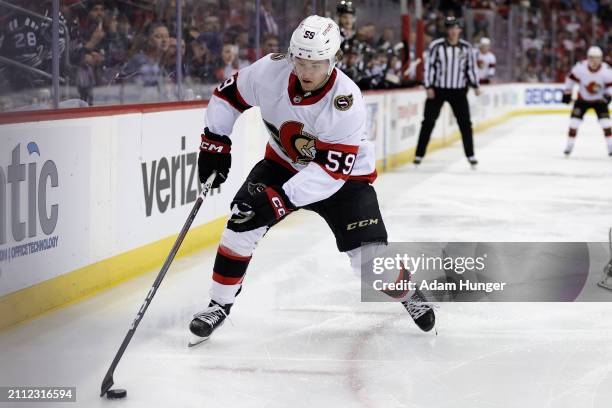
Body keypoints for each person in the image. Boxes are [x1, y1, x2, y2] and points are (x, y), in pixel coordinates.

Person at [189, 15, 435, 345]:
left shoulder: (346, 101)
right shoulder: (270, 70)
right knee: (241, 222)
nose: (306, 72)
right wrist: (215, 143)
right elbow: (228, 96)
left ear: (332, 60)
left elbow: (329, 173)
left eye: (316, 63)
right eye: (300, 61)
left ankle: (407, 293)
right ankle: (218, 305)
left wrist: (278, 201)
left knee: (371, 264)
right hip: (283, 164)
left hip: (344, 180)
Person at [414, 16, 480, 167]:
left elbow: (471, 68)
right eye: (450, 28)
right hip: (438, 90)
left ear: (460, 30)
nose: (453, 31)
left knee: (465, 124)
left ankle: (470, 155)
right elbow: (429, 67)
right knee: (428, 122)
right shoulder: (436, 46)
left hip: (459, 91)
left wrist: (475, 85)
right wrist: (428, 86)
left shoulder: (466, 47)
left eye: (455, 28)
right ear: (446, 30)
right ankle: (419, 154)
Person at [561, 46, 612, 157]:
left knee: (606, 124)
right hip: (582, 100)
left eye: (597, 58)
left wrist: (609, 95)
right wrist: (567, 92)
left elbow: (610, 86)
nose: (594, 61)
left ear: (601, 58)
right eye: (592, 58)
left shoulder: (606, 70)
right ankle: (569, 146)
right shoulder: (580, 67)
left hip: (599, 101)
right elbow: (570, 79)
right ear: (588, 58)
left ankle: (610, 147)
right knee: (574, 123)